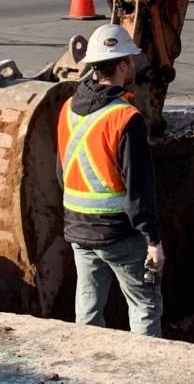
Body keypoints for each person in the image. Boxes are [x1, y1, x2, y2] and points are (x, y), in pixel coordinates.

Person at [57, 24, 164, 336]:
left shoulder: (67, 110)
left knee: (88, 308)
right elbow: (139, 188)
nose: (132, 65)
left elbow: (60, 170)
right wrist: (153, 241)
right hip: (118, 232)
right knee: (145, 305)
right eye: (129, 60)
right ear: (121, 65)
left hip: (78, 228)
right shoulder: (125, 118)